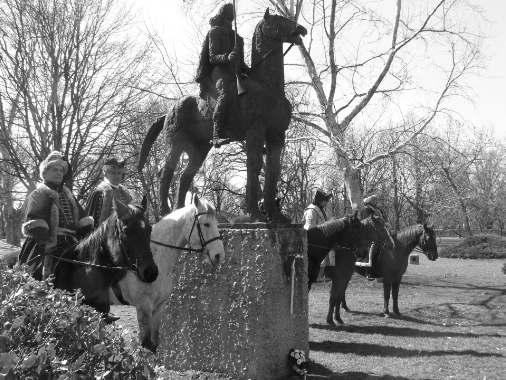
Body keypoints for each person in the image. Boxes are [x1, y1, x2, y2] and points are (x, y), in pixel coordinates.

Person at [19, 151, 94, 280]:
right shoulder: (38, 194)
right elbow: (35, 222)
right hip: (45, 242)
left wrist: (86, 229)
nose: (59, 173)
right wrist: (45, 238)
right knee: (32, 276)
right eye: (55, 169)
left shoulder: (69, 195)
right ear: (45, 173)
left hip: (72, 241)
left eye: (61, 170)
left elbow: (83, 220)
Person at [195, 3, 250, 148]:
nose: (230, 20)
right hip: (219, 72)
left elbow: (241, 63)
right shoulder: (214, 32)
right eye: (228, 17)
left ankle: (251, 132)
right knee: (226, 93)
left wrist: (250, 70)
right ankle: (216, 135)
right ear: (223, 16)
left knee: (252, 92)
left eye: (232, 18)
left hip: (234, 73)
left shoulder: (237, 38)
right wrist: (227, 57)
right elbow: (213, 57)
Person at [85, 157, 132, 228]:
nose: (116, 176)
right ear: (106, 174)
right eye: (113, 173)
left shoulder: (126, 194)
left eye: (119, 173)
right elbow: (91, 218)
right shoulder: (99, 192)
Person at [356, 194, 394, 280]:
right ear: (371, 201)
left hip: (379, 232)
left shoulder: (378, 210)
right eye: (375, 201)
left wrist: (386, 224)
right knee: (372, 250)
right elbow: (365, 221)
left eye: (376, 201)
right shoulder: (365, 209)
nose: (377, 202)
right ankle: (368, 272)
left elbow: (383, 219)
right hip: (367, 234)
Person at [303, 189, 334, 274]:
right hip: (314, 241)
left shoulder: (320, 209)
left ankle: (325, 272)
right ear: (319, 200)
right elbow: (309, 228)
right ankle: (317, 274)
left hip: (322, 238)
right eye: (325, 201)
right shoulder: (311, 210)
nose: (326, 203)